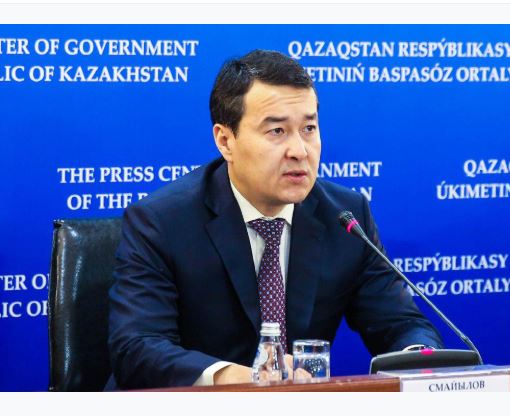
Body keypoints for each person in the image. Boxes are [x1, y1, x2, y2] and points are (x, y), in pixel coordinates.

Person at [105, 49, 443, 390]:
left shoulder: (346, 216)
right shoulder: (162, 221)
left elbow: (400, 323)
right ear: (225, 140)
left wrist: (418, 359)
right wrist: (241, 379)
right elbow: (137, 348)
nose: (299, 151)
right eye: (277, 131)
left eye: (309, 128)